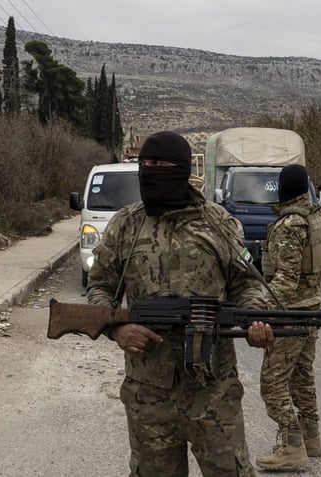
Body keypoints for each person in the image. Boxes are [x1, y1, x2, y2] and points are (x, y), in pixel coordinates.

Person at [87, 131, 275, 477]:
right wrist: (118, 329)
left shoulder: (218, 223)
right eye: (144, 164)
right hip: (148, 393)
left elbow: (247, 283)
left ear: (182, 171)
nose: (149, 171)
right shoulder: (126, 225)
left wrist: (255, 318)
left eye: (158, 164)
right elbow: (100, 288)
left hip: (213, 390)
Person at [255, 165, 321, 471]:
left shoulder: (289, 224)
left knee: (272, 382)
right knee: (302, 376)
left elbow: (286, 279)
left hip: (291, 312)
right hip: (312, 306)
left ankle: (292, 446)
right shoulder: (316, 217)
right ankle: (311, 438)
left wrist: (262, 310)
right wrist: (313, 270)